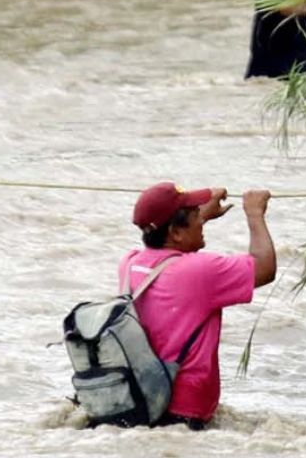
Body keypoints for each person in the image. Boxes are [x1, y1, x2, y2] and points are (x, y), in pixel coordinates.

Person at [117, 181, 277, 429]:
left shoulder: (130, 263)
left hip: (140, 403)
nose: (201, 220)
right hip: (185, 411)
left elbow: (169, 245)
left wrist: (200, 216)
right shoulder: (199, 271)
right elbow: (264, 267)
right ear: (175, 232)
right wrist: (254, 214)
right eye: (195, 215)